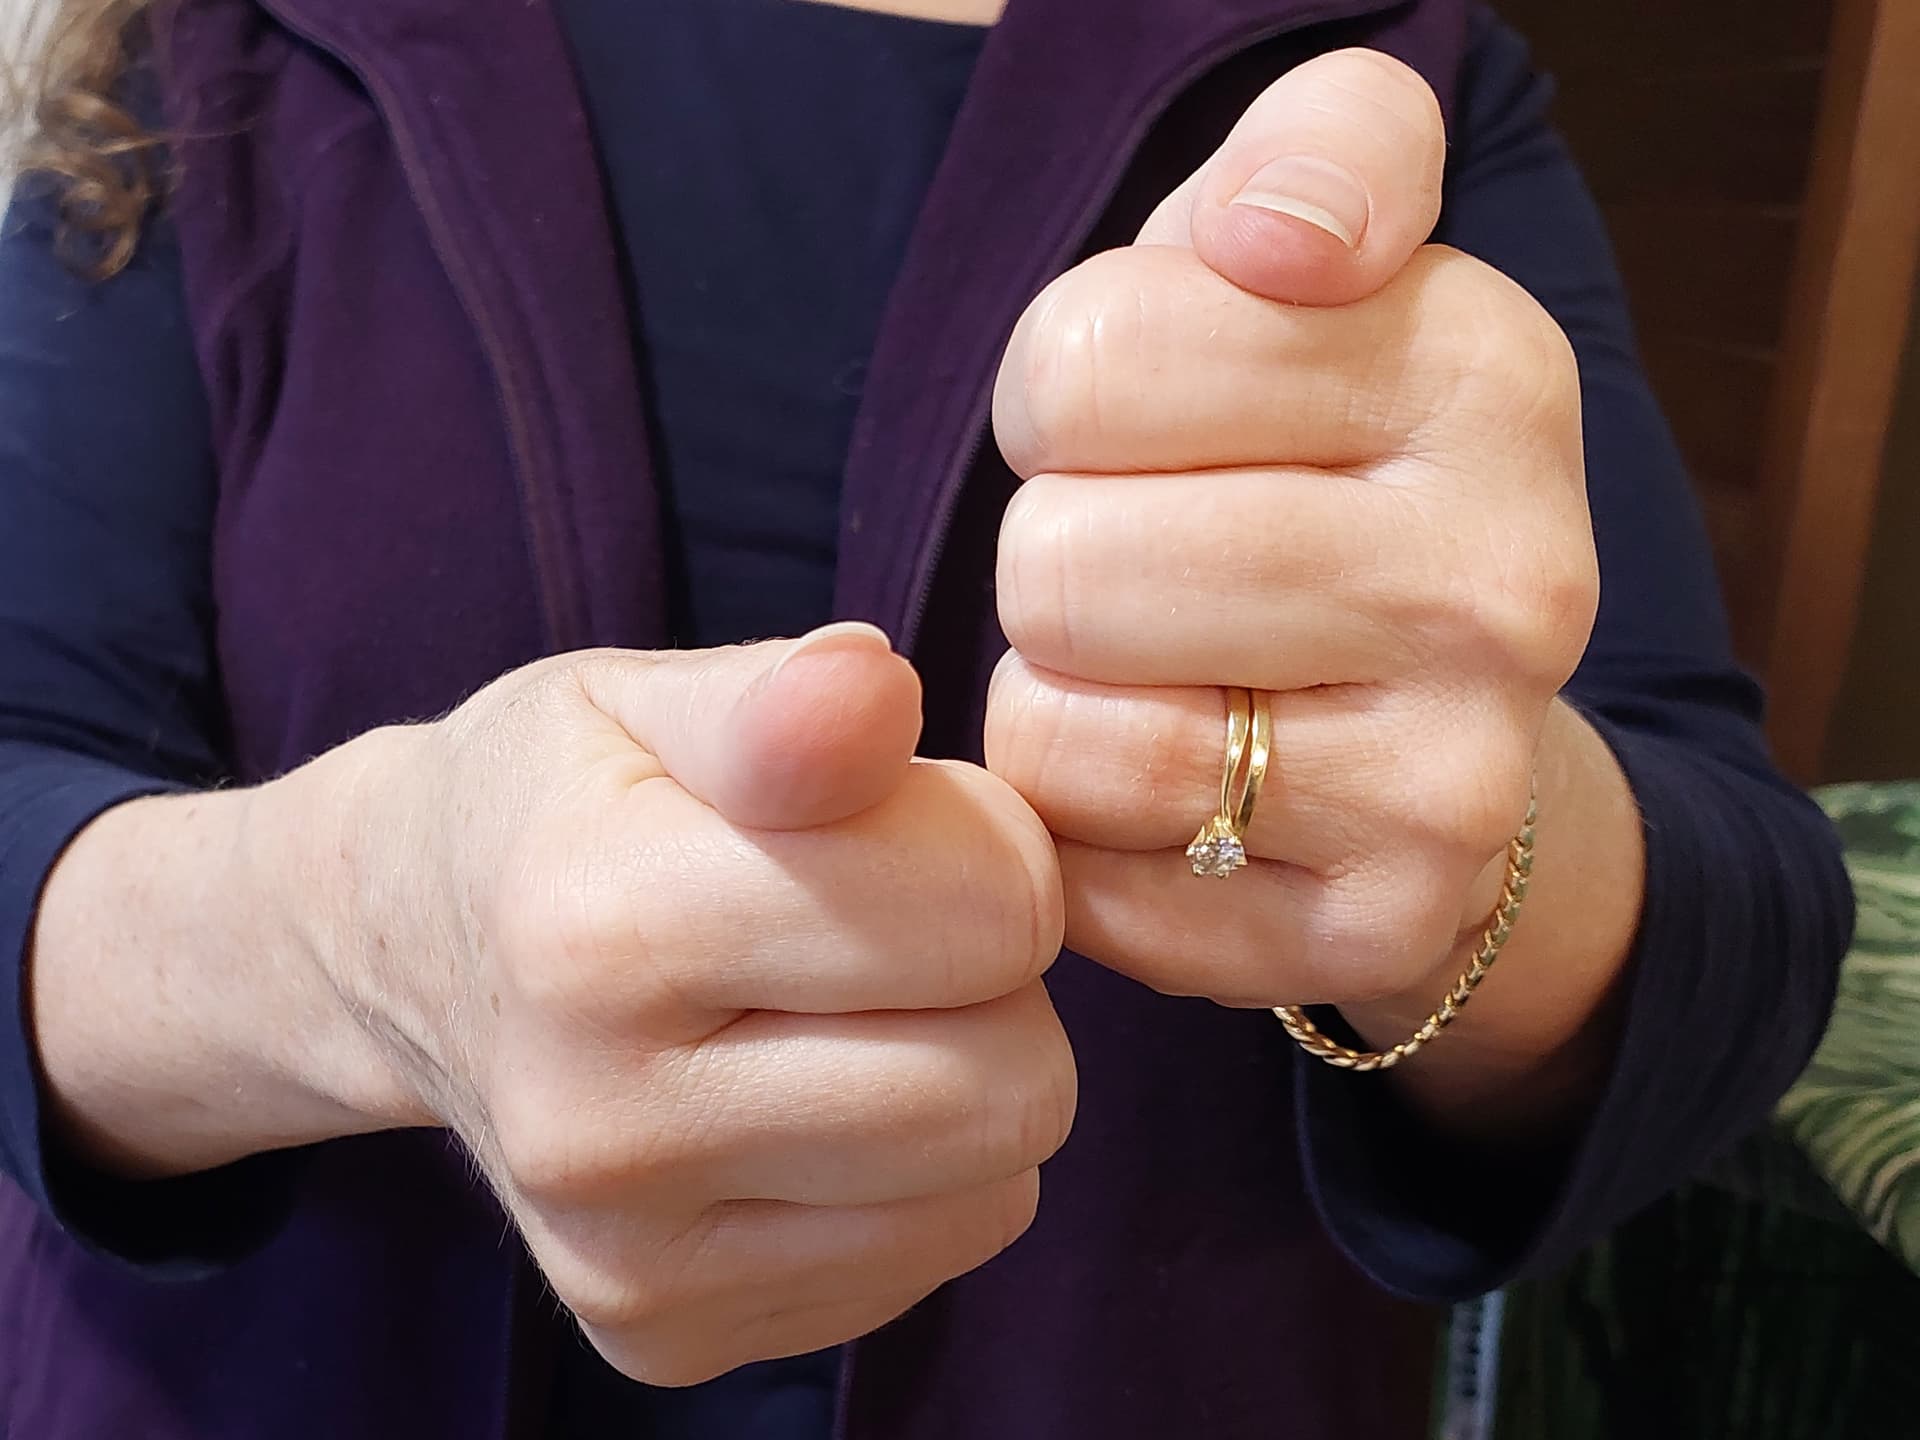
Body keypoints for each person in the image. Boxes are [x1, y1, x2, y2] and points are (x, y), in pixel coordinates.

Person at [0, 0, 1852, 1435]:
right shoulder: (211, 43)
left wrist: (1458, 844)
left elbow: (1742, 928)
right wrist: (351, 933)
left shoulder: (1390, 67)